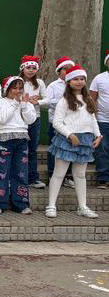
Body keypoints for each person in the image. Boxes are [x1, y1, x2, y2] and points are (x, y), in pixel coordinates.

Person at [47, 65, 101, 218]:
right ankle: (51, 205)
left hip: (85, 141)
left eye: (82, 79)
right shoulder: (64, 101)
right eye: (75, 79)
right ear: (69, 82)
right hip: (67, 140)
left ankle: (82, 206)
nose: (79, 81)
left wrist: (98, 135)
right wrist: (70, 135)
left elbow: (92, 119)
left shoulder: (88, 99)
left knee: (80, 175)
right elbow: (57, 123)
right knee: (59, 174)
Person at [0, 75, 37, 215]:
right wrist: (16, 104)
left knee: (21, 173)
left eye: (20, 88)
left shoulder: (26, 103)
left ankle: (21, 203)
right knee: (2, 172)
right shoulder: (0, 103)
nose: (18, 91)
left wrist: (24, 106)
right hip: (5, 140)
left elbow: (30, 120)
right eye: (14, 88)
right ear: (7, 89)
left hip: (22, 139)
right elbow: (3, 119)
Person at [46, 56, 76, 187]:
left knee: (70, 149)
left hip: (72, 123)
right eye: (65, 69)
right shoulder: (53, 85)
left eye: (71, 69)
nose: (68, 71)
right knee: (55, 149)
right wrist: (63, 102)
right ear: (59, 71)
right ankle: (52, 174)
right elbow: (47, 102)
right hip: (56, 123)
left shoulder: (75, 85)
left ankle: (68, 176)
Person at [19, 55, 48, 189]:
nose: (31, 70)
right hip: (20, 119)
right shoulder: (18, 81)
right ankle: (19, 177)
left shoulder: (40, 83)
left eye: (33, 68)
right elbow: (10, 96)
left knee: (32, 150)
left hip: (35, 118)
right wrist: (26, 100)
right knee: (20, 149)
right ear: (22, 68)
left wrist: (38, 101)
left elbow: (48, 100)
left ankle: (33, 178)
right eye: (28, 67)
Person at [89, 50, 109, 190]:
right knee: (102, 149)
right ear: (107, 62)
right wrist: (94, 117)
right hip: (102, 120)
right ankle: (103, 178)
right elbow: (92, 98)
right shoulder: (99, 78)